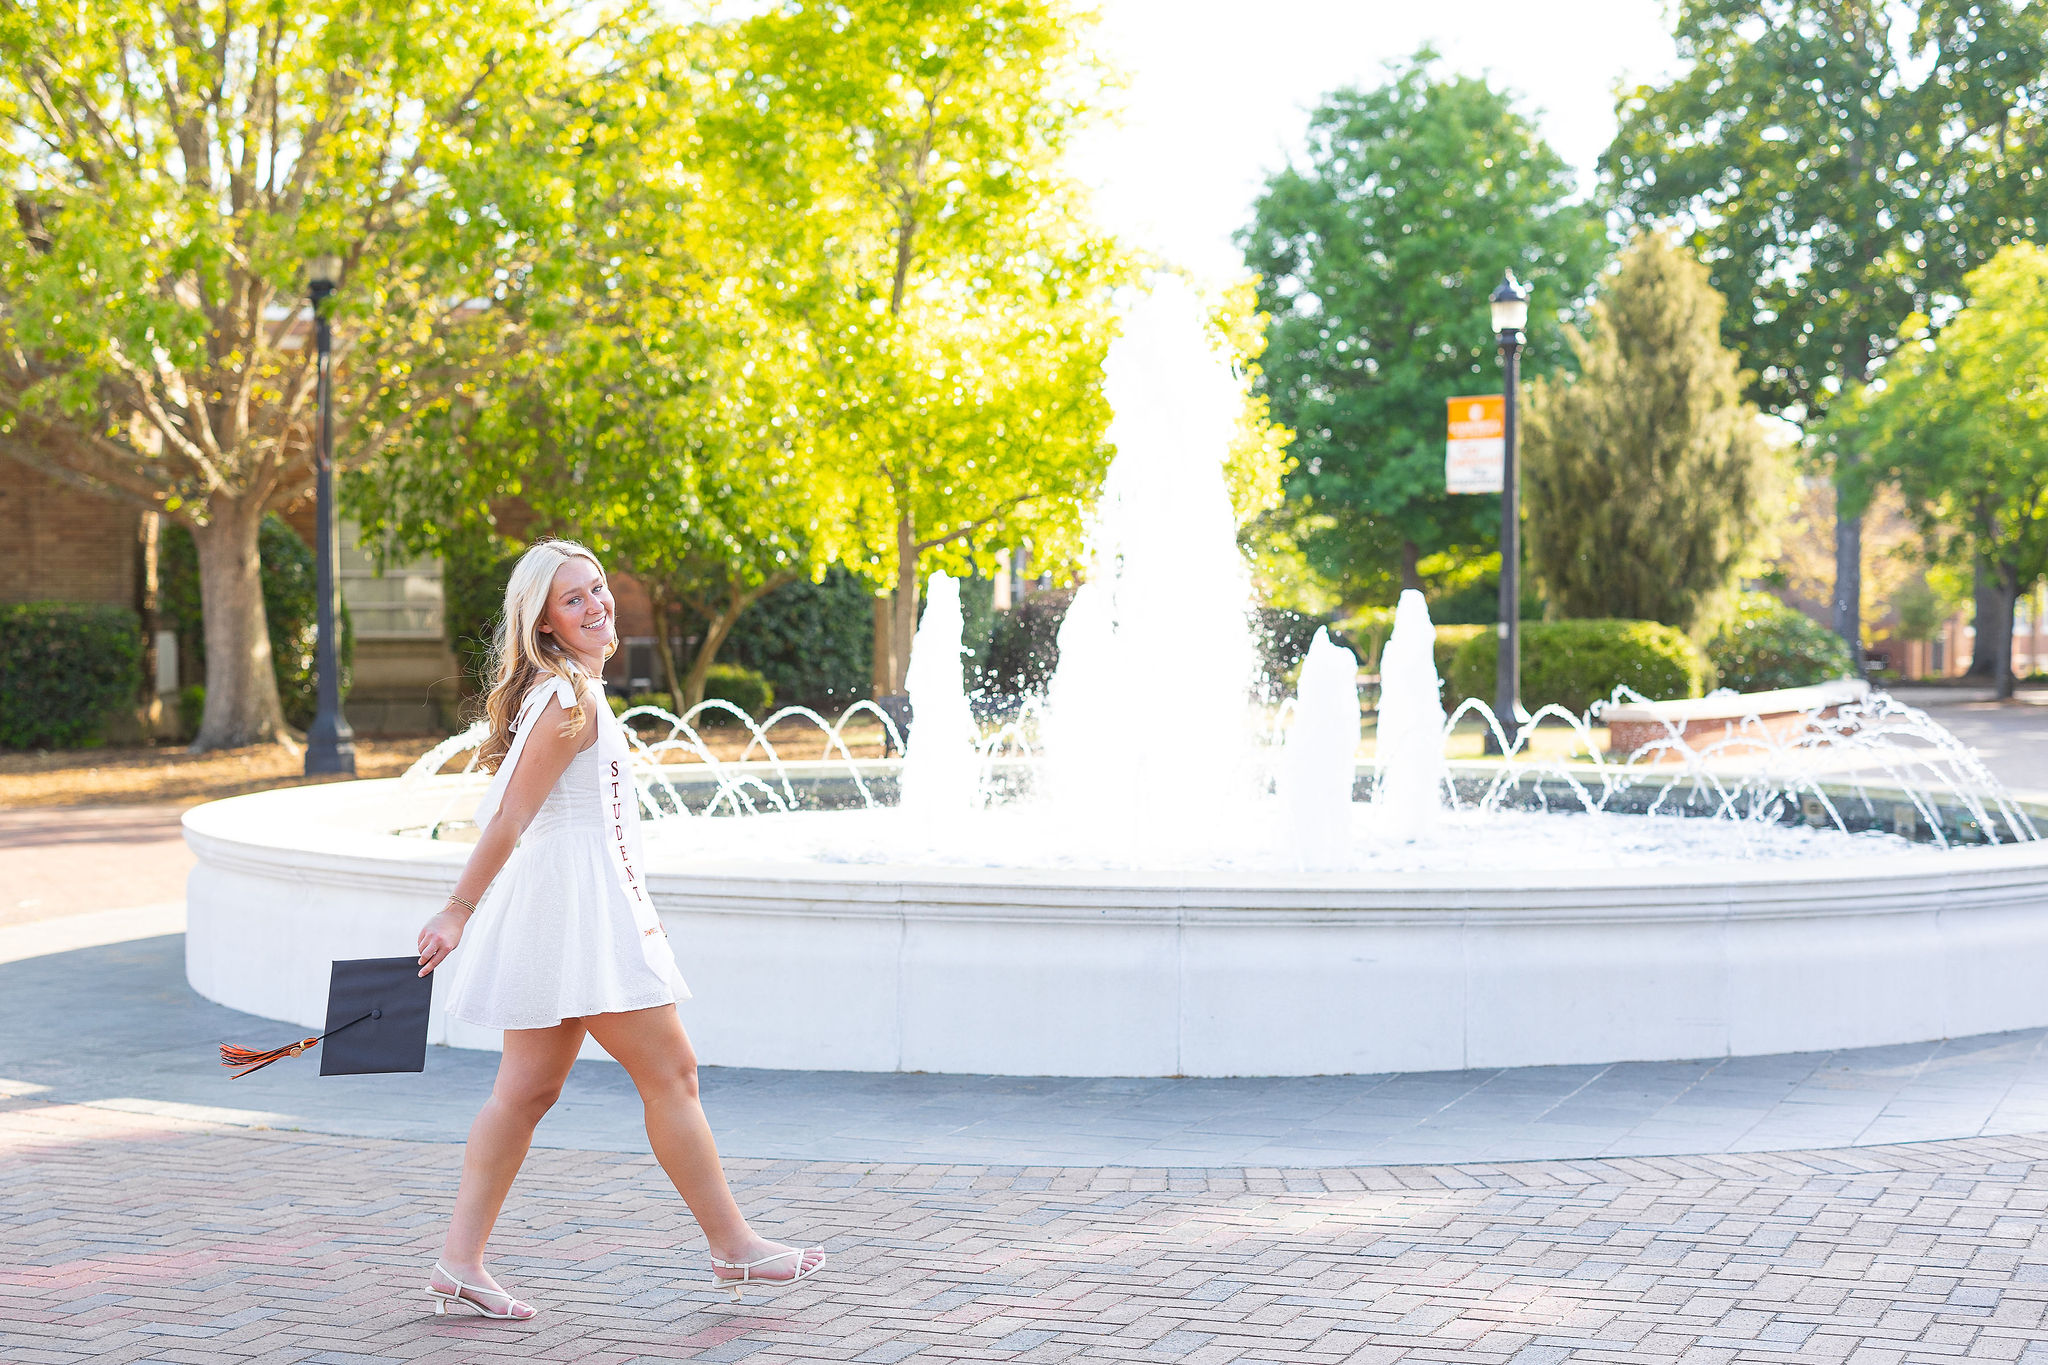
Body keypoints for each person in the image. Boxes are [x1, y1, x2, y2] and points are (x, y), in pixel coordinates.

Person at [414, 538, 823, 1319]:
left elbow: (597, 825)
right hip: (571, 914)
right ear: (543, 622)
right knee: (672, 1071)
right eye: (574, 597)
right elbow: (512, 817)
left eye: (597, 588)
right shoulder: (569, 697)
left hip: (575, 909)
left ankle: (458, 1262)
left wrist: (635, 906)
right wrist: (456, 909)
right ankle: (732, 1245)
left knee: (526, 1090)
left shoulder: (570, 691)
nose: (597, 603)